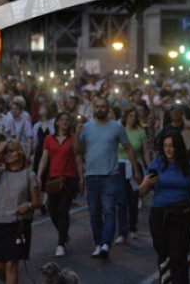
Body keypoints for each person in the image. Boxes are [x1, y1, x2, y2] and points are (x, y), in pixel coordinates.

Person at [76, 96, 143, 259]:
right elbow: (77, 151)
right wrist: (76, 135)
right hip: (91, 175)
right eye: (97, 107)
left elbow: (128, 147)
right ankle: (98, 244)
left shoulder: (117, 127)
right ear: (93, 108)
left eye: (103, 106)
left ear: (108, 108)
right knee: (94, 213)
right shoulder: (87, 127)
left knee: (108, 210)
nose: (100, 109)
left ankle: (106, 243)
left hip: (111, 175)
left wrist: (136, 170)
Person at [138, 130, 190, 284]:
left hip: (183, 214)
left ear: (179, 147)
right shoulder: (157, 164)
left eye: (172, 146)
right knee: (164, 255)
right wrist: (146, 183)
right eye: (165, 146)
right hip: (160, 215)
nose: (168, 149)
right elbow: (142, 191)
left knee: (178, 255)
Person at [0, 140, 41, 284]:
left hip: (17, 224)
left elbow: (36, 202)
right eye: (6, 152)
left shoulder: (29, 175)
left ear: (20, 153)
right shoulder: (0, 173)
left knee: (11, 265)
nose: (9, 154)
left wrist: (27, 205)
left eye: (12, 151)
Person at [37, 111, 78, 257]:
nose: (65, 122)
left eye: (67, 119)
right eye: (62, 119)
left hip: (70, 178)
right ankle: (64, 234)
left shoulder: (74, 138)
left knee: (63, 210)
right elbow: (44, 158)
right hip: (53, 178)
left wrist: (82, 179)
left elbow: (79, 157)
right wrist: (39, 175)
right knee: (53, 211)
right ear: (57, 122)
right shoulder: (49, 138)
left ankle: (60, 244)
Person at [116, 108, 151, 242]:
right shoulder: (119, 130)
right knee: (121, 200)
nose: (132, 118)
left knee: (133, 199)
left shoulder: (141, 132)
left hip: (136, 166)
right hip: (120, 166)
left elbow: (145, 151)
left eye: (134, 116)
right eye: (130, 116)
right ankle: (122, 232)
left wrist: (150, 168)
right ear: (125, 117)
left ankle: (132, 227)